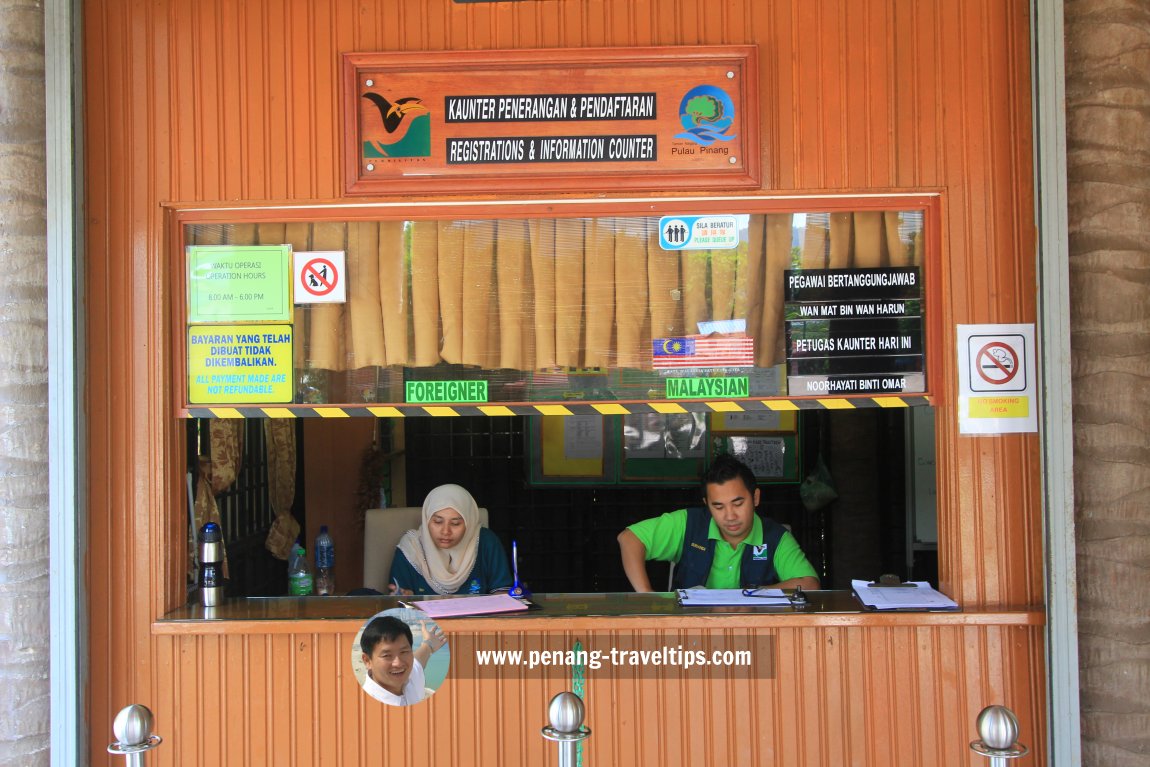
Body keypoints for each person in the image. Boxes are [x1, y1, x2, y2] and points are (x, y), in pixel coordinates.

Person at [618, 454, 820, 591]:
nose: (730, 515)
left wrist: (757, 595)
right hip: (690, 634)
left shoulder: (775, 537)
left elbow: (809, 584)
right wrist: (646, 595)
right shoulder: (688, 523)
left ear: (755, 498)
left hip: (751, 635)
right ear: (707, 505)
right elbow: (629, 538)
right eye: (719, 506)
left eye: (738, 503)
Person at [388, 484, 513, 595]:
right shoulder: (411, 548)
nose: (445, 531)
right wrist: (405, 596)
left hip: (477, 620)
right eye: (437, 522)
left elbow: (502, 591)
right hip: (423, 621)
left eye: (455, 523)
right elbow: (400, 596)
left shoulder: (486, 542)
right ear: (426, 520)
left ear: (469, 522)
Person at [359, 614, 447, 706]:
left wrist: (429, 644)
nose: (398, 663)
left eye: (404, 652)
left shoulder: (410, 676)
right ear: (367, 661)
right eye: (387, 655)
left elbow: (419, 659)